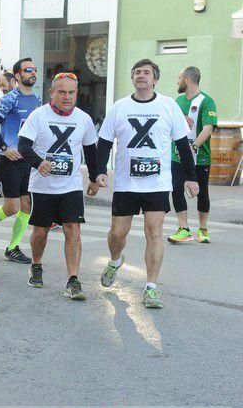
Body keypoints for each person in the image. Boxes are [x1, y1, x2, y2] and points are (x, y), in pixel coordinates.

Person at [96, 59, 199, 309]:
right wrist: (98, 172)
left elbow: (183, 144)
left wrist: (191, 177)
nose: (141, 75)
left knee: (154, 233)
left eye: (146, 73)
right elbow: (105, 141)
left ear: (155, 79)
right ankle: (115, 260)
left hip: (157, 183)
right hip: (126, 183)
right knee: (117, 234)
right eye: (137, 72)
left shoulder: (168, 106)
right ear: (132, 78)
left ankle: (151, 287)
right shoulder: (120, 107)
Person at [17, 72, 101, 298]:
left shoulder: (83, 118)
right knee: (41, 231)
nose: (67, 97)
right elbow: (23, 146)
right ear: (52, 93)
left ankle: (73, 279)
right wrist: (38, 163)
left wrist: (94, 178)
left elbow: (90, 151)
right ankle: (36, 265)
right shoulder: (38, 116)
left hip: (70, 185)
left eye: (72, 92)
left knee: (73, 229)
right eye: (62, 92)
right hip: (42, 186)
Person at [0, 57, 42, 264]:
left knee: (26, 205)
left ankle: (12, 248)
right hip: (8, 160)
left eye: (35, 70)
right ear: (18, 75)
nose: (33, 73)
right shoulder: (10, 99)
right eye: (28, 70)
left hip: (27, 161)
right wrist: (4, 148)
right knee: (11, 207)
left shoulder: (37, 99)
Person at [168, 66, 217, 244]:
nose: (177, 80)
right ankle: (184, 228)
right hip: (177, 156)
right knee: (176, 190)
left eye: (179, 77)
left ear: (187, 79)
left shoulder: (207, 101)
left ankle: (203, 229)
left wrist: (194, 146)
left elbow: (208, 128)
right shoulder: (177, 101)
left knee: (202, 192)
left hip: (200, 157)